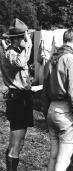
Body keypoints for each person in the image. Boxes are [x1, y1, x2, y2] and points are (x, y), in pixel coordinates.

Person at [42, 28, 73, 171]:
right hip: (66, 111)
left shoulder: (52, 59)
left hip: (51, 110)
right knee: (63, 160)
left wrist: (45, 111)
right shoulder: (72, 60)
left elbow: (45, 91)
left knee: (53, 156)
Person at [0, 18, 33, 171]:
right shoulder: (10, 53)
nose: (28, 39)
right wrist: (29, 44)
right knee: (16, 143)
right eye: (25, 37)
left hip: (23, 98)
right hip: (17, 99)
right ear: (17, 39)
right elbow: (20, 63)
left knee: (19, 142)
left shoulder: (18, 52)